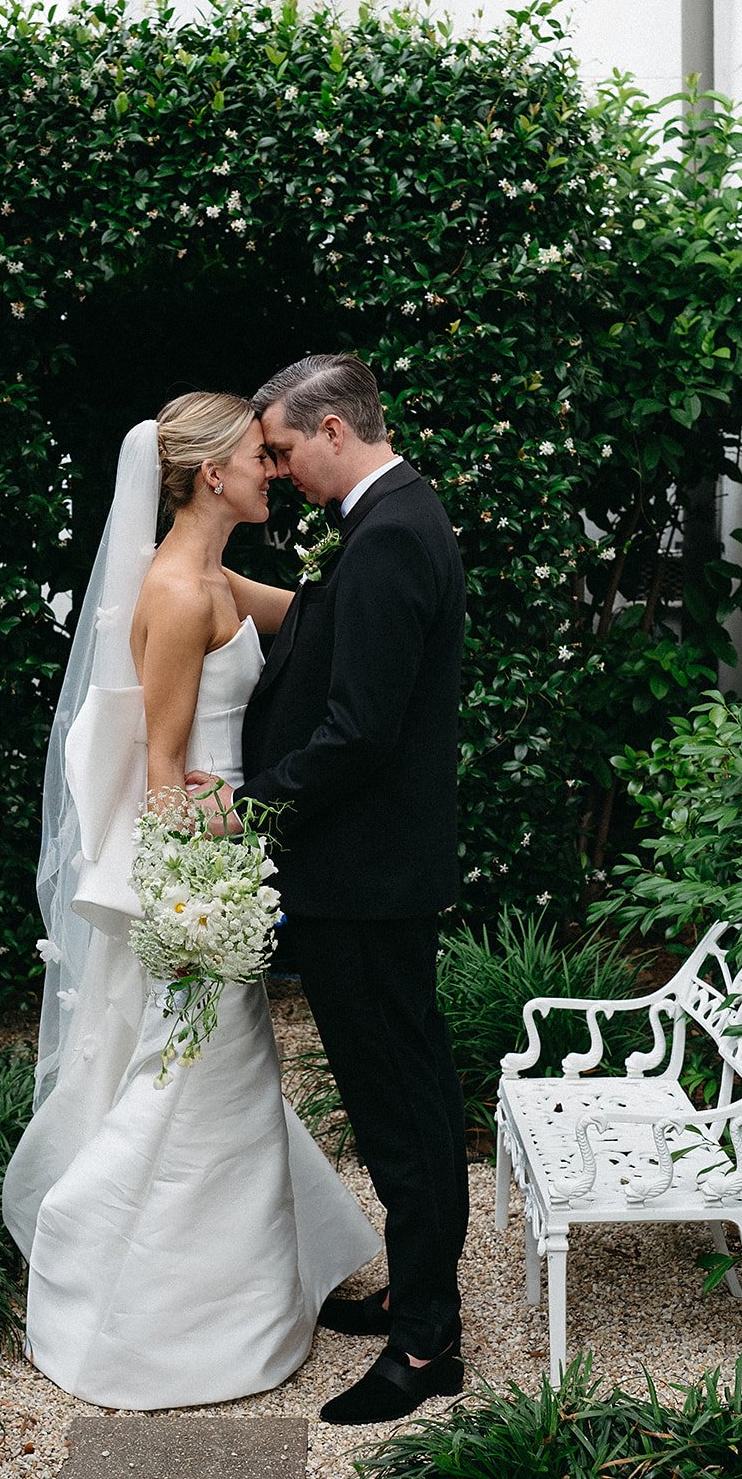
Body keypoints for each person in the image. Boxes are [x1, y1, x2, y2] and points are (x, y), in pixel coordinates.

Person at [1, 393, 380, 1411]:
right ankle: (120, 1293)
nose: (276, 469)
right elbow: (163, 769)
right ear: (210, 473)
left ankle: (248, 1301)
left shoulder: (212, 576)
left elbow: (312, 616)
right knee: (191, 1083)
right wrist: (193, 905)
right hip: (198, 876)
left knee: (227, 1083)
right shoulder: (173, 593)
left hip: (230, 855)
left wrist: (394, 561)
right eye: (262, 456)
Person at [187, 355, 470, 1425]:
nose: (277, 466)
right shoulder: (396, 514)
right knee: (414, 1091)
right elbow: (331, 643)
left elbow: (359, 730)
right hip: (374, 872)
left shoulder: (390, 530)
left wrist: (248, 802)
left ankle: (423, 1348)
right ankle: (418, 1292)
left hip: (364, 877)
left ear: (335, 429)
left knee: (398, 1107)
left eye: (284, 447)